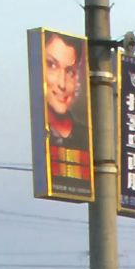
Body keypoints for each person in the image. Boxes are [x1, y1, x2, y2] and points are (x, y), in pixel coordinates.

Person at [42, 30, 92, 194]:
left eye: (70, 71)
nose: (62, 84)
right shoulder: (37, 134)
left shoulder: (87, 137)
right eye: (52, 65)